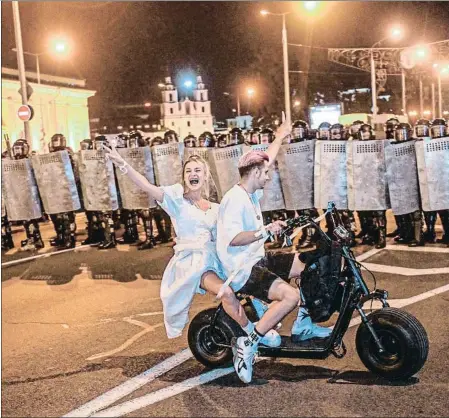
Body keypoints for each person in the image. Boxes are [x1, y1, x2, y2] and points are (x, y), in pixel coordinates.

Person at [103, 145, 279, 344]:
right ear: (184, 177)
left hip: (218, 258)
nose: (192, 174)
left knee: (256, 277)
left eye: (197, 170)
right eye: (188, 171)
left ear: (205, 176)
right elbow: (146, 185)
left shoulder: (216, 208)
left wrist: (279, 138)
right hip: (194, 262)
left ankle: (262, 317)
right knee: (227, 292)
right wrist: (122, 163)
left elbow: (257, 173)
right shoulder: (176, 200)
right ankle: (252, 336)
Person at [216, 115, 331, 384]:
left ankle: (303, 325)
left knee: (306, 263)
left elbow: (266, 156)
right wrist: (265, 230)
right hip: (242, 269)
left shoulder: (249, 192)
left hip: (257, 258)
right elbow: (234, 239)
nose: (269, 176)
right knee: (289, 296)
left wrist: (280, 136)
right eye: (266, 173)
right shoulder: (234, 199)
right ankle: (249, 343)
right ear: (255, 174)